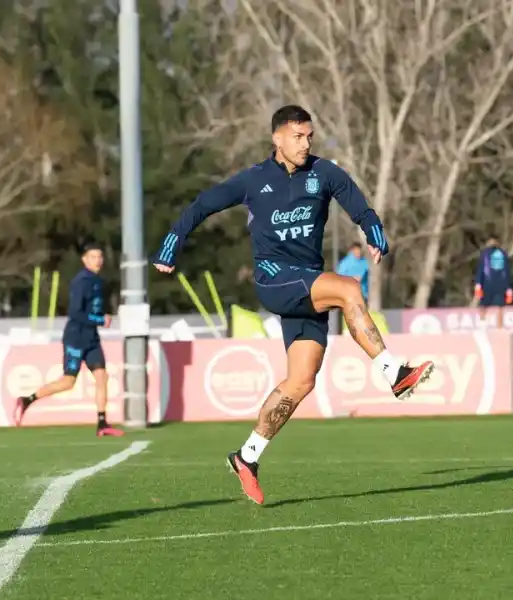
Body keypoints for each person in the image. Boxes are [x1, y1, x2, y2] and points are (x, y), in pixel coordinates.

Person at [151, 105, 434, 505]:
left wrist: (373, 229)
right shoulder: (254, 180)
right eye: (298, 137)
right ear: (277, 139)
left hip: (308, 284)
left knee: (301, 381)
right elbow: (202, 205)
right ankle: (394, 372)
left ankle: (247, 457)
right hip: (275, 280)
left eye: (309, 136)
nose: (306, 144)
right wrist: (172, 242)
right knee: (350, 289)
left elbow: (358, 205)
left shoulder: (324, 174)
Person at [13, 241, 124, 437]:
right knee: (68, 382)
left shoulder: (99, 281)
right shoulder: (81, 281)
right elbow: (75, 313)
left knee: (101, 377)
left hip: (92, 339)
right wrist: (100, 319)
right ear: (84, 260)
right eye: (93, 257)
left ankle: (102, 423)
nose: (98, 260)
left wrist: (103, 316)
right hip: (75, 338)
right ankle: (27, 400)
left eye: (100, 257)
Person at [474, 235, 513, 329]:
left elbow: (481, 269)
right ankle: (498, 326)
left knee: (485, 305)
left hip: (488, 283)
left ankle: (484, 324)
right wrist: (508, 287)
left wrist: (478, 283)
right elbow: (507, 271)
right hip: (500, 284)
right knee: (499, 306)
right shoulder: (503, 254)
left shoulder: (485, 254)